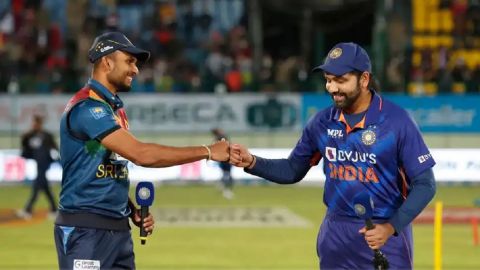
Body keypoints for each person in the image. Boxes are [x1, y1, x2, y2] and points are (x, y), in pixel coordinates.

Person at [229, 42, 436, 269]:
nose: (332, 88)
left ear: (364, 79)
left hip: (384, 233)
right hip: (335, 233)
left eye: (341, 80)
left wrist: (391, 227)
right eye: (328, 79)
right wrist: (251, 162)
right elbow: (292, 170)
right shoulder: (321, 122)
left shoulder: (397, 121)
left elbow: (425, 184)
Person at [54, 32, 230, 270]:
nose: (135, 70)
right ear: (107, 62)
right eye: (130, 61)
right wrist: (208, 151)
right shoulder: (88, 108)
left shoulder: (115, 110)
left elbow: (104, 170)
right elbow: (142, 154)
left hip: (117, 230)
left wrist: (130, 210)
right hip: (86, 232)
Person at [17, 114, 58, 220]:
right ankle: (54, 210)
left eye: (37, 122)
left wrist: (55, 157)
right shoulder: (31, 135)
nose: (35, 124)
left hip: (45, 163)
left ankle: (28, 210)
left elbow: (55, 147)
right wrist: (29, 132)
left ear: (40, 124)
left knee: (37, 185)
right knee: (44, 186)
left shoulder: (47, 135)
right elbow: (24, 143)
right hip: (38, 163)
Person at [211, 128, 234, 199]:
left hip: (222, 158)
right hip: (226, 158)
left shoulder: (217, 139)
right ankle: (226, 190)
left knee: (225, 174)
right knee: (228, 174)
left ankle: (222, 186)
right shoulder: (222, 137)